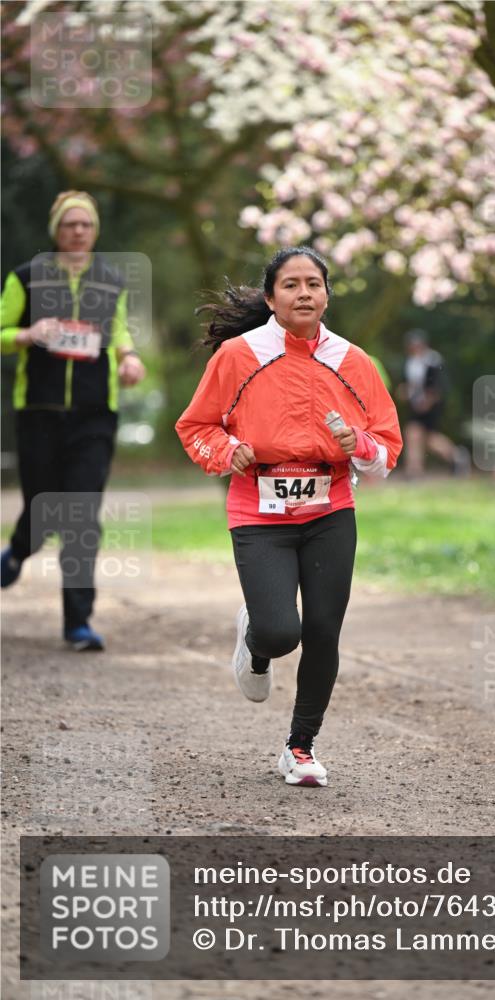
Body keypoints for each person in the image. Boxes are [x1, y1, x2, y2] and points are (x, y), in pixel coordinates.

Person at [176, 246, 402, 787]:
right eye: (291, 284)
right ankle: (256, 635)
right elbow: (197, 427)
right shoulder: (237, 355)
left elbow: (388, 450)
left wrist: (359, 444)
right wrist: (230, 452)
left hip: (330, 509)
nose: (304, 293)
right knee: (282, 634)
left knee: (323, 631)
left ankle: (300, 748)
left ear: (327, 294)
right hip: (259, 512)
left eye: (314, 284)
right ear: (271, 296)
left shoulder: (353, 361)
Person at [1, 190, 146, 650]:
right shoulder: (26, 278)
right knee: (43, 509)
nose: (78, 231)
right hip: (39, 412)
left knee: (81, 515)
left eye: (86, 224)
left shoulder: (111, 281)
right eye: (70, 224)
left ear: (95, 231)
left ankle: (78, 623)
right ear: (56, 231)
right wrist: (25, 334)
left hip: (93, 416)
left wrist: (129, 358)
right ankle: (19, 550)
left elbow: (119, 331)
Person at [398, 329, 469, 478]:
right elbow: (412, 384)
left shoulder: (433, 360)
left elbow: (437, 386)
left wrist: (428, 402)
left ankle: (454, 457)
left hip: (431, 406)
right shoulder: (412, 361)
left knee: (425, 437)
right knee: (417, 435)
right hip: (417, 405)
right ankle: (415, 470)